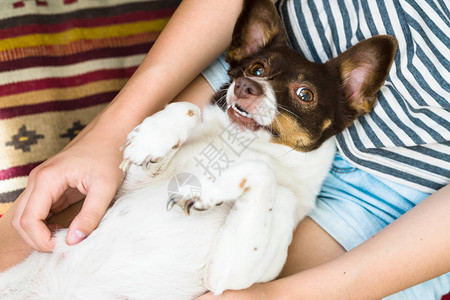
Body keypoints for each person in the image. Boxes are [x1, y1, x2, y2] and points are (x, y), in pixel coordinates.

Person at [0, 0, 449, 299]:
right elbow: (142, 178)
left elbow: (235, 275)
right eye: (254, 69)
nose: (258, 80)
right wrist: (111, 130)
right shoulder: (238, 86)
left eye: (305, 94)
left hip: (402, 193)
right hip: (228, 108)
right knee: (25, 233)